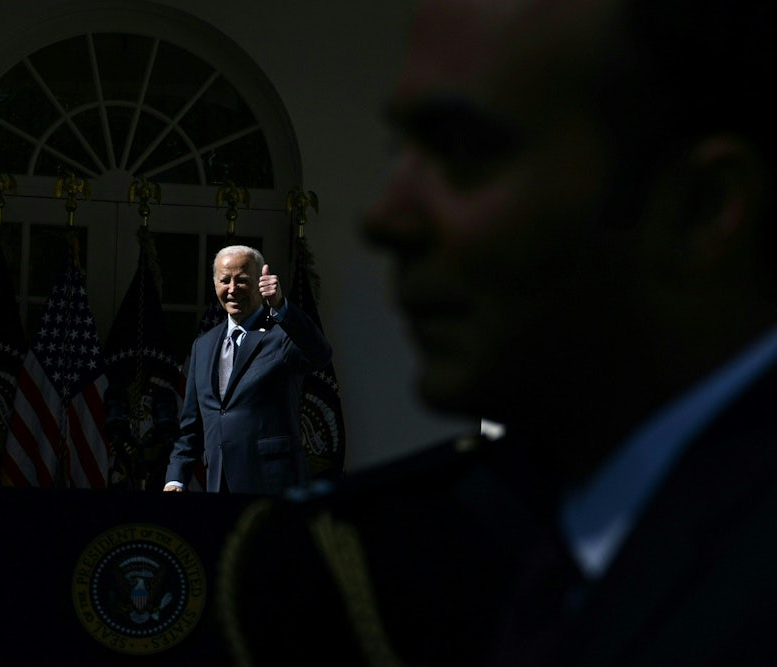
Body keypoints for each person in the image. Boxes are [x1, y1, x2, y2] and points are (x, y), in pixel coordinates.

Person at [217, 0, 777, 665]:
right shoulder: (391, 555)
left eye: (463, 151)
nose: (385, 218)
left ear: (701, 209)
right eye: (405, 149)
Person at [162, 245, 332, 494]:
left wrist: (282, 307)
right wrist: (175, 478)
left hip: (273, 486)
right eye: (224, 280)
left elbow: (320, 355)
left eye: (242, 281)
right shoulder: (204, 345)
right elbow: (192, 427)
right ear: (215, 284)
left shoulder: (283, 334)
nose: (232, 289)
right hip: (219, 484)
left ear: (260, 283)